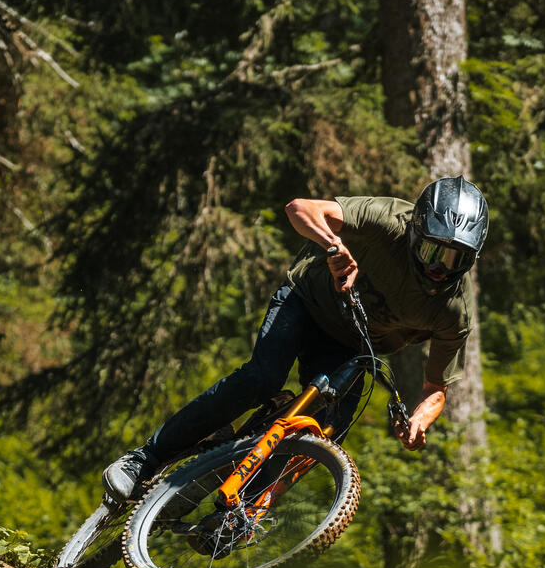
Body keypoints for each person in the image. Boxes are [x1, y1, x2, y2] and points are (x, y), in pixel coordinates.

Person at [101, 175, 489, 500]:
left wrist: (420, 420)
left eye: (455, 259)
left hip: (351, 348)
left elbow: (436, 387)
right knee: (263, 377)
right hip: (306, 300)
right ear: (414, 231)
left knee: (325, 432)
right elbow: (300, 208)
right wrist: (333, 245)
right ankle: (143, 460)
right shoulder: (389, 219)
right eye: (431, 250)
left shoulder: (452, 314)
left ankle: (247, 507)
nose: (440, 268)